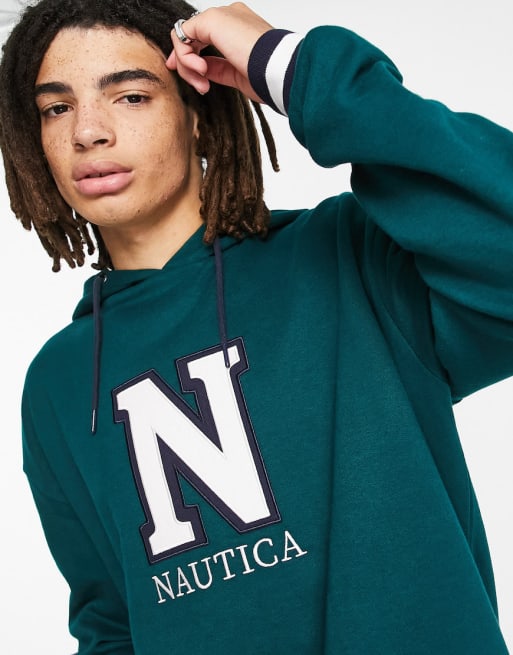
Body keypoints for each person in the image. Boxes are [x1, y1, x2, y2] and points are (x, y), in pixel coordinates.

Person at [1, 0, 512, 653]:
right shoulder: (59, 383)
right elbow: (112, 626)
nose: (88, 131)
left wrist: (291, 67)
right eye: (56, 108)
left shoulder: (354, 260)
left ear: (196, 114)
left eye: (130, 96)